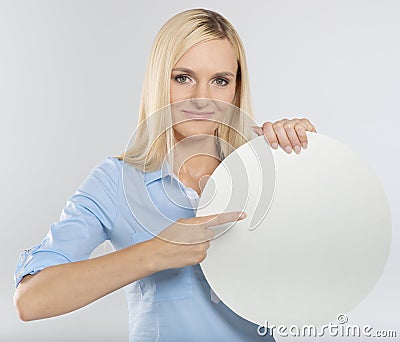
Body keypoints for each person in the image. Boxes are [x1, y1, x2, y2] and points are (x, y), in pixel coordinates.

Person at [13, 8, 317, 341]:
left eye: (220, 80)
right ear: (159, 81)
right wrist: (154, 253)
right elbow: (31, 300)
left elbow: (327, 259)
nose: (201, 98)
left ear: (235, 88)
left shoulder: (263, 166)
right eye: (183, 77)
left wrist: (307, 159)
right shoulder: (116, 181)